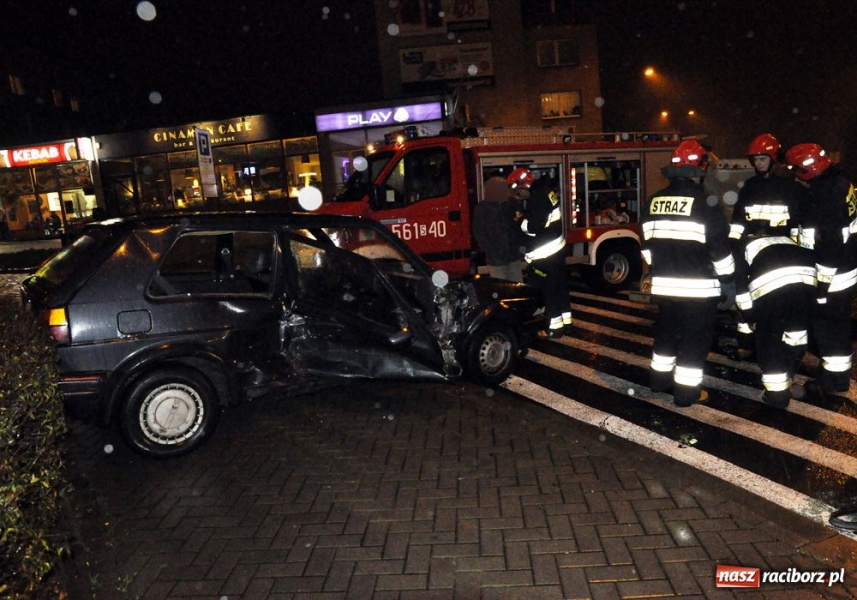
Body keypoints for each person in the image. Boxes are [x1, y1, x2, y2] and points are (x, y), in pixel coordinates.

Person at [641, 140, 735, 407]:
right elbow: (720, 250)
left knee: (667, 333)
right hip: (699, 289)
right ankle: (685, 394)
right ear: (700, 168)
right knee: (694, 340)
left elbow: (646, 246)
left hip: (665, 288)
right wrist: (728, 280)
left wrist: (656, 271)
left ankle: (658, 382)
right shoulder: (705, 202)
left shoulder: (654, 201)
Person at [730, 134, 816, 408]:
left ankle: (779, 385)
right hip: (772, 258)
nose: (758, 163)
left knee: (772, 328)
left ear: (774, 158)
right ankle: (753, 349)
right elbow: (737, 223)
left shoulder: (792, 189)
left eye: (763, 158)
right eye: (755, 159)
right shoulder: (750, 188)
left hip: (777, 259)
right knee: (789, 327)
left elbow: (803, 228)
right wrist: (734, 246)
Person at [785, 143, 857, 398]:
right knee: (838, 327)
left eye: (796, 169)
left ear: (807, 169)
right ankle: (837, 377)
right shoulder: (841, 184)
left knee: (829, 329)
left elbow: (829, 246)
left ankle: (831, 382)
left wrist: (822, 288)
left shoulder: (823, 197)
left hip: (831, 277)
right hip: (847, 270)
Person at [513, 167, 571, 338]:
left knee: (548, 293)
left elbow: (535, 227)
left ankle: (554, 329)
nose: (517, 195)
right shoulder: (546, 193)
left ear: (525, 186)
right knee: (560, 290)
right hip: (557, 251)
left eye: (518, 191)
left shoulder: (537, 198)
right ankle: (566, 324)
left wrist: (520, 222)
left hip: (546, 256)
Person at [472, 173, 524, 282]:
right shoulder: (483, 209)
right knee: (502, 289)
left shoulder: (511, 204)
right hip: (496, 259)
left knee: (517, 289)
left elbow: (518, 226)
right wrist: (490, 249)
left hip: (512, 255)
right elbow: (478, 232)